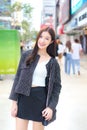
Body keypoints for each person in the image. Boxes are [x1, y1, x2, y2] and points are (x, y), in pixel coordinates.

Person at [9, 27, 62, 130]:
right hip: (23, 98)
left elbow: (56, 87)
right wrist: (14, 103)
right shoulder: (26, 55)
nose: (42, 40)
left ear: (51, 42)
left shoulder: (53, 62)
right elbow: (18, 78)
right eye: (41, 37)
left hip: (40, 100)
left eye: (47, 38)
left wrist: (51, 107)